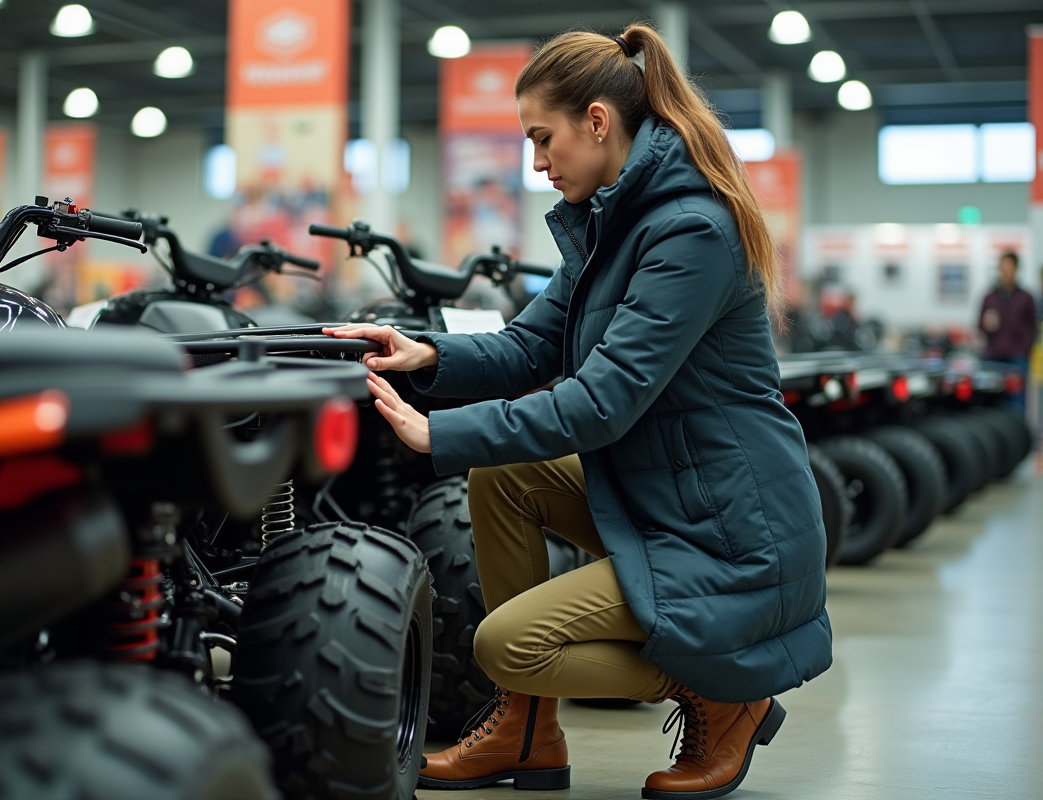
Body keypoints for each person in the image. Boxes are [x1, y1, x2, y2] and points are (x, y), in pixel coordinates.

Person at [326, 22, 831, 800]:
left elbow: (604, 402)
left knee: (505, 646)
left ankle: (726, 688)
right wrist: (424, 353)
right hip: (671, 501)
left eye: (542, 138)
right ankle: (529, 734)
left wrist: (439, 433)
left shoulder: (690, 231)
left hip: (731, 533)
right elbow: (528, 346)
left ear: (597, 122)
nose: (535, 162)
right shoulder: (612, 225)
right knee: (505, 476)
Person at [977, 252, 1036, 415]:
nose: (1005, 272)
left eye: (1008, 268)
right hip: (992, 355)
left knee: (1017, 401)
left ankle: (1017, 435)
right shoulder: (989, 297)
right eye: (1002, 268)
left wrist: (1024, 350)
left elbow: (1033, 328)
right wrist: (986, 325)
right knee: (990, 400)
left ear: (1016, 269)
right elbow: (979, 324)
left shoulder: (1026, 298)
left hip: (1017, 356)